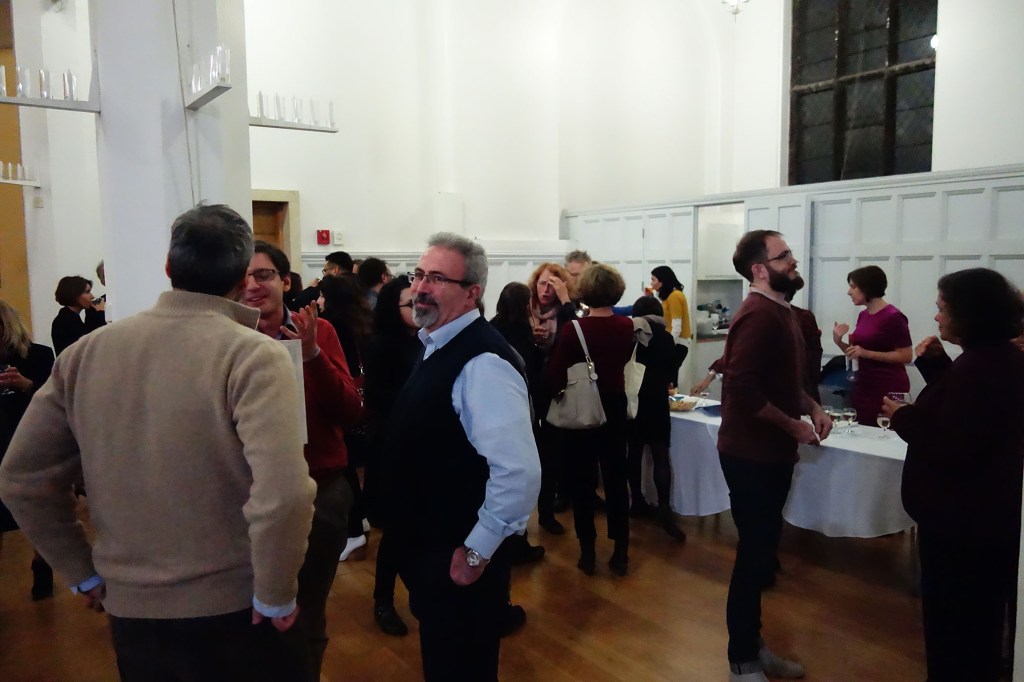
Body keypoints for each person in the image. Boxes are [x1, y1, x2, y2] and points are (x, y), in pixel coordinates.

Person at [0, 204, 316, 680]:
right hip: (237, 605)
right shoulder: (254, 354)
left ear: (168, 267)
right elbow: (283, 494)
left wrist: (81, 571)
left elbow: (22, 478)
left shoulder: (86, 353)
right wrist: (275, 593)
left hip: (133, 609)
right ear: (240, 276)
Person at [381, 233, 541, 681]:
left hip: (456, 555)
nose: (420, 287)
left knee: (462, 667)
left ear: (472, 293)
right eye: (418, 275)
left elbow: (519, 472)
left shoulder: (483, 363)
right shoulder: (438, 343)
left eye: (437, 278)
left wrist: (476, 552)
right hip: (431, 551)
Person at [882, 268, 1024, 682]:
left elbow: (953, 445)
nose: (936, 317)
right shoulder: (997, 359)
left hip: (961, 523)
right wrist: (938, 367)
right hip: (985, 517)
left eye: (943, 308)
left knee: (954, 624)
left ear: (970, 314)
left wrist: (903, 416)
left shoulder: (978, 368)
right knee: (977, 623)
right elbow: (967, 415)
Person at [244, 240, 364, 680]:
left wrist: (312, 354)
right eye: (243, 277)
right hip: (248, 496)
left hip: (319, 490)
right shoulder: (228, 339)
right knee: (248, 617)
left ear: (285, 281)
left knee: (307, 614)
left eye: (263, 275)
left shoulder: (319, 330)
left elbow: (350, 411)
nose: (252, 286)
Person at [717, 230, 831, 682]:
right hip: (751, 455)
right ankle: (742, 662)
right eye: (784, 257)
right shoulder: (758, 315)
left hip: (770, 453)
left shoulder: (781, 312)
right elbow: (742, 388)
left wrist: (812, 406)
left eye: (790, 254)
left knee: (762, 555)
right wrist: (792, 425)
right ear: (760, 270)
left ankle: (752, 645)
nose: (793, 261)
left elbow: (782, 381)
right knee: (754, 558)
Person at [547, 263, 635, 577]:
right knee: (616, 480)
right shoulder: (626, 326)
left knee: (582, 482)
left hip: (584, 405)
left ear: (585, 291)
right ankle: (621, 551)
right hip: (615, 405)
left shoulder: (574, 329)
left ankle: (588, 551)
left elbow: (556, 372)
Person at [363, 275, 420, 637]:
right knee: (397, 530)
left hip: (419, 445)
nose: (418, 308)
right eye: (410, 304)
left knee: (415, 527)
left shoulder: (423, 341)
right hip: (393, 448)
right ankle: (383, 599)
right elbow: (377, 397)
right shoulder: (382, 344)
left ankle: (420, 592)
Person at [317, 272, 375, 563]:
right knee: (350, 466)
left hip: (344, 402)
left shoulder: (332, 324)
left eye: (322, 295)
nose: (318, 300)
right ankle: (359, 520)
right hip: (359, 403)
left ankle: (354, 530)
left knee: (345, 469)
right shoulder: (360, 321)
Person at [0, 301, 56, 601]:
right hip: (2, 437)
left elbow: (54, 400)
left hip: (29, 439)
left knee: (36, 510)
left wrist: (25, 384)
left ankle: (41, 563)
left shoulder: (38, 355)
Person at [626, 295, 685, 542]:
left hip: (634, 400)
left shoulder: (632, 335)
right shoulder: (666, 337)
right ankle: (664, 508)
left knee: (634, 453)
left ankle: (637, 501)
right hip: (658, 402)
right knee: (660, 455)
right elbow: (671, 373)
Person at [527, 262, 581, 535]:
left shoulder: (566, 312)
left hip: (557, 389)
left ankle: (549, 509)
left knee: (553, 452)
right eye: (542, 283)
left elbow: (578, 337)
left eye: (552, 284)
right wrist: (531, 339)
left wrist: (566, 300)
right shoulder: (525, 309)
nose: (546, 289)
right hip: (528, 388)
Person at [832, 265, 912, 424]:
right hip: (863, 385)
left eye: (853, 287)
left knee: (884, 431)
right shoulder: (863, 315)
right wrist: (838, 341)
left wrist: (867, 353)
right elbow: (856, 352)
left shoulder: (893, 316)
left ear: (867, 287)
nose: (849, 292)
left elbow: (906, 355)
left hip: (886, 386)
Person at [650, 265, 691, 384]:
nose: (651, 283)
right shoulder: (668, 297)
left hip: (677, 344)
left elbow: (676, 326)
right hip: (672, 342)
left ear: (661, 281)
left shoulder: (675, 296)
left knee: (669, 380)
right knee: (668, 379)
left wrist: (668, 345)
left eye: (653, 279)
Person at [51, 275, 106, 356]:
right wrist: (100, 312)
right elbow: (90, 344)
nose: (92, 296)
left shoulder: (68, 317)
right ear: (74, 295)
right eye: (87, 292)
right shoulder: (66, 321)